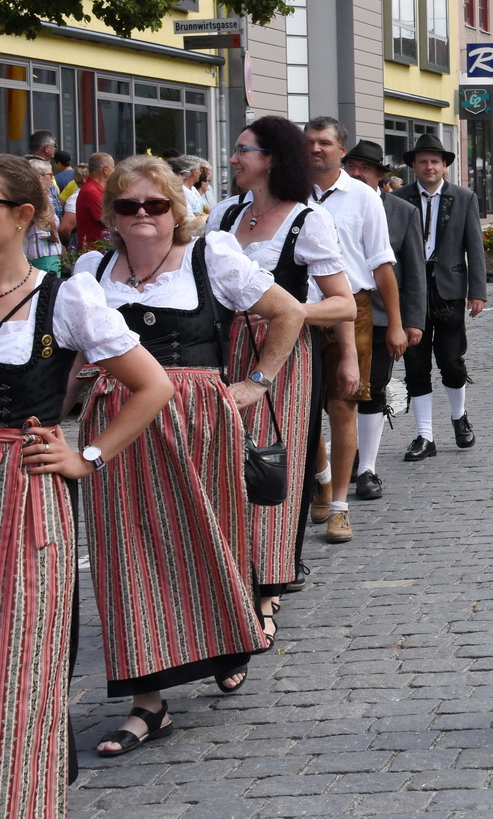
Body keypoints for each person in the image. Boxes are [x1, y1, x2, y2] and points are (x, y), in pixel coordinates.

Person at [79, 156, 304, 752]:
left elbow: (288, 311)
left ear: (177, 210)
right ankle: (146, 703)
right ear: (114, 216)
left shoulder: (212, 256)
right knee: (123, 552)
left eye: (156, 204)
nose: (144, 216)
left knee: (211, 535)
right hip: (119, 419)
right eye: (130, 206)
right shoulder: (92, 269)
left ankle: (228, 641)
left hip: (198, 417)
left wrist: (256, 381)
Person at [0, 154, 172, 811]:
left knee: (23, 664)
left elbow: (151, 385)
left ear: (22, 216)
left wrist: (87, 455)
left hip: (24, 492)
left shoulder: (63, 296)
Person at [207, 117, 356, 633]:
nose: (233, 159)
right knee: (226, 466)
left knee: (271, 468)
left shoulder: (306, 220)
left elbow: (342, 306)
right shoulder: (225, 215)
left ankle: (269, 586)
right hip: (224, 354)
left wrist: (281, 310)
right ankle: (236, 578)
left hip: (286, 361)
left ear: (269, 158)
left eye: (242, 150)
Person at [304, 117, 396, 544]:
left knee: (343, 406)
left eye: (324, 142)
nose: (316, 149)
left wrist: (395, 322)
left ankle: (339, 506)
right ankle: (321, 476)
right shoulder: (289, 192)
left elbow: (381, 264)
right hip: (296, 309)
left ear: (342, 150)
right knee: (301, 409)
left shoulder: (364, 198)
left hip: (351, 309)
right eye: (310, 143)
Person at [340, 139, 426, 502]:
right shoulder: (326, 204)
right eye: (353, 166)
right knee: (336, 393)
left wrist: (410, 322)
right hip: (333, 310)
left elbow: (414, 270)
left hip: (377, 315)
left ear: (379, 175)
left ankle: (367, 468)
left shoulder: (402, 211)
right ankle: (337, 462)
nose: (357, 173)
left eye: (366, 168)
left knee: (373, 388)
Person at [395, 134, 487, 462]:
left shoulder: (463, 198)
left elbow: (474, 247)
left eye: (435, 161)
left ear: (445, 165)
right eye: (423, 161)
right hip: (410, 294)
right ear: (413, 166)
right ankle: (424, 435)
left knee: (451, 360)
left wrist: (478, 292)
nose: (429, 166)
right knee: (416, 365)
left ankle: (459, 417)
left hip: (448, 289)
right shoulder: (399, 199)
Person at [22, 157, 63, 274]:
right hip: (45, 251)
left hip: (32, 251)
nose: (52, 177)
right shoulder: (41, 195)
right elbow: (49, 218)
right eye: (50, 174)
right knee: (48, 289)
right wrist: (54, 236)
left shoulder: (27, 194)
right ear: (40, 176)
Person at [73, 152, 113, 247]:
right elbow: (109, 220)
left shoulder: (93, 189)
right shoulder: (91, 191)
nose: (114, 171)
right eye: (113, 167)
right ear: (106, 170)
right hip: (96, 251)